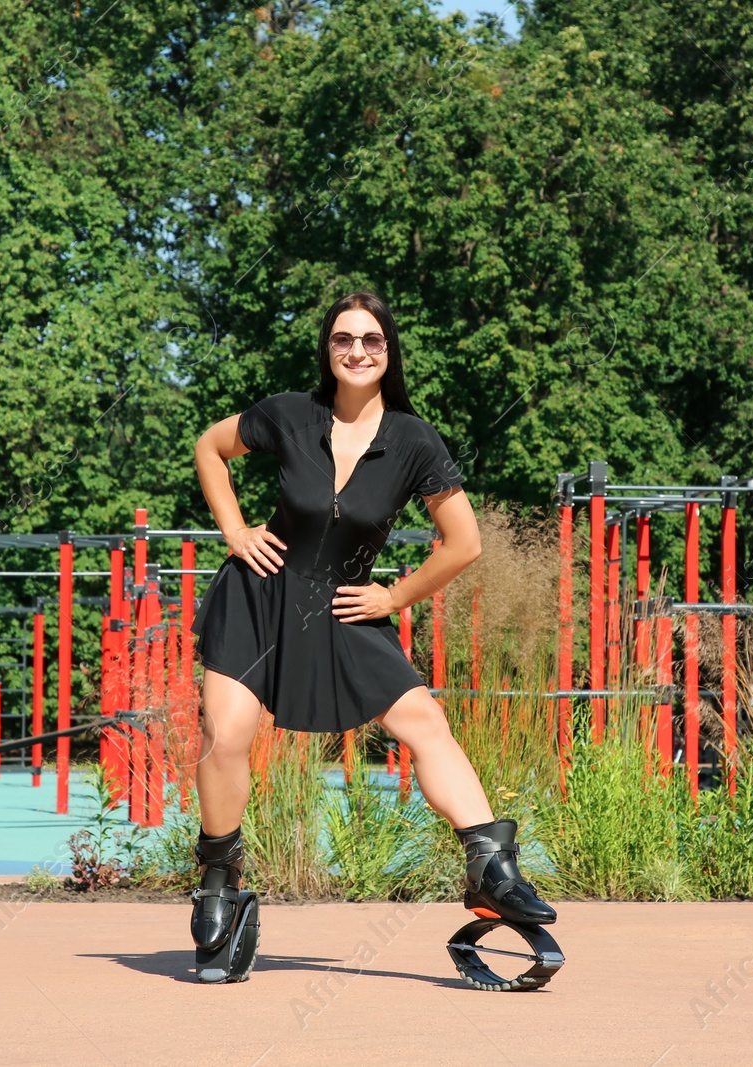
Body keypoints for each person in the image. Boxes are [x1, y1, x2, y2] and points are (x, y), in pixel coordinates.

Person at [187, 291, 555, 979]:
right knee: (227, 735)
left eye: (371, 339)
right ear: (327, 351)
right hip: (260, 596)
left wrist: (396, 593)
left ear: (390, 351)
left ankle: (490, 866)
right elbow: (211, 446)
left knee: (424, 720)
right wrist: (234, 530)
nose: (357, 350)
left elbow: (464, 542)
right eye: (343, 338)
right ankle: (217, 874)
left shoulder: (413, 439)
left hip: (345, 608)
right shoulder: (291, 415)